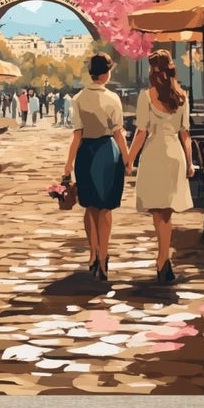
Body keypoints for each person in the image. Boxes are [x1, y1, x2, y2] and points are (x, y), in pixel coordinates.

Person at [125, 49, 195, 284]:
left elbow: (141, 133)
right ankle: (163, 257)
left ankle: (163, 258)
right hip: (174, 153)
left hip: (155, 154)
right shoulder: (182, 97)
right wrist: (190, 161)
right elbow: (186, 134)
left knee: (159, 212)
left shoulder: (147, 97)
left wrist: (130, 159)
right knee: (167, 212)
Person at [62, 54, 128, 281]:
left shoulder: (78, 98)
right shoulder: (113, 99)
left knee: (89, 206)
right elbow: (118, 133)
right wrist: (127, 159)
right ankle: (104, 256)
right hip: (108, 153)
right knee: (106, 208)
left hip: (86, 153)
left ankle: (92, 253)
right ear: (106, 73)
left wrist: (68, 164)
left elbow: (77, 135)